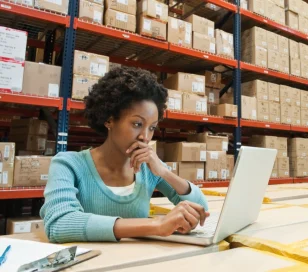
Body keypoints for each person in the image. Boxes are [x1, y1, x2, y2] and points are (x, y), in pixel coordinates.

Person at [40, 67, 209, 243]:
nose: (145, 136)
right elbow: (58, 224)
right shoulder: (68, 164)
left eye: (152, 128)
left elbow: (201, 211)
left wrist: (165, 173)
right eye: (137, 124)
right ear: (109, 120)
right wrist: (156, 225)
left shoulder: (148, 167)